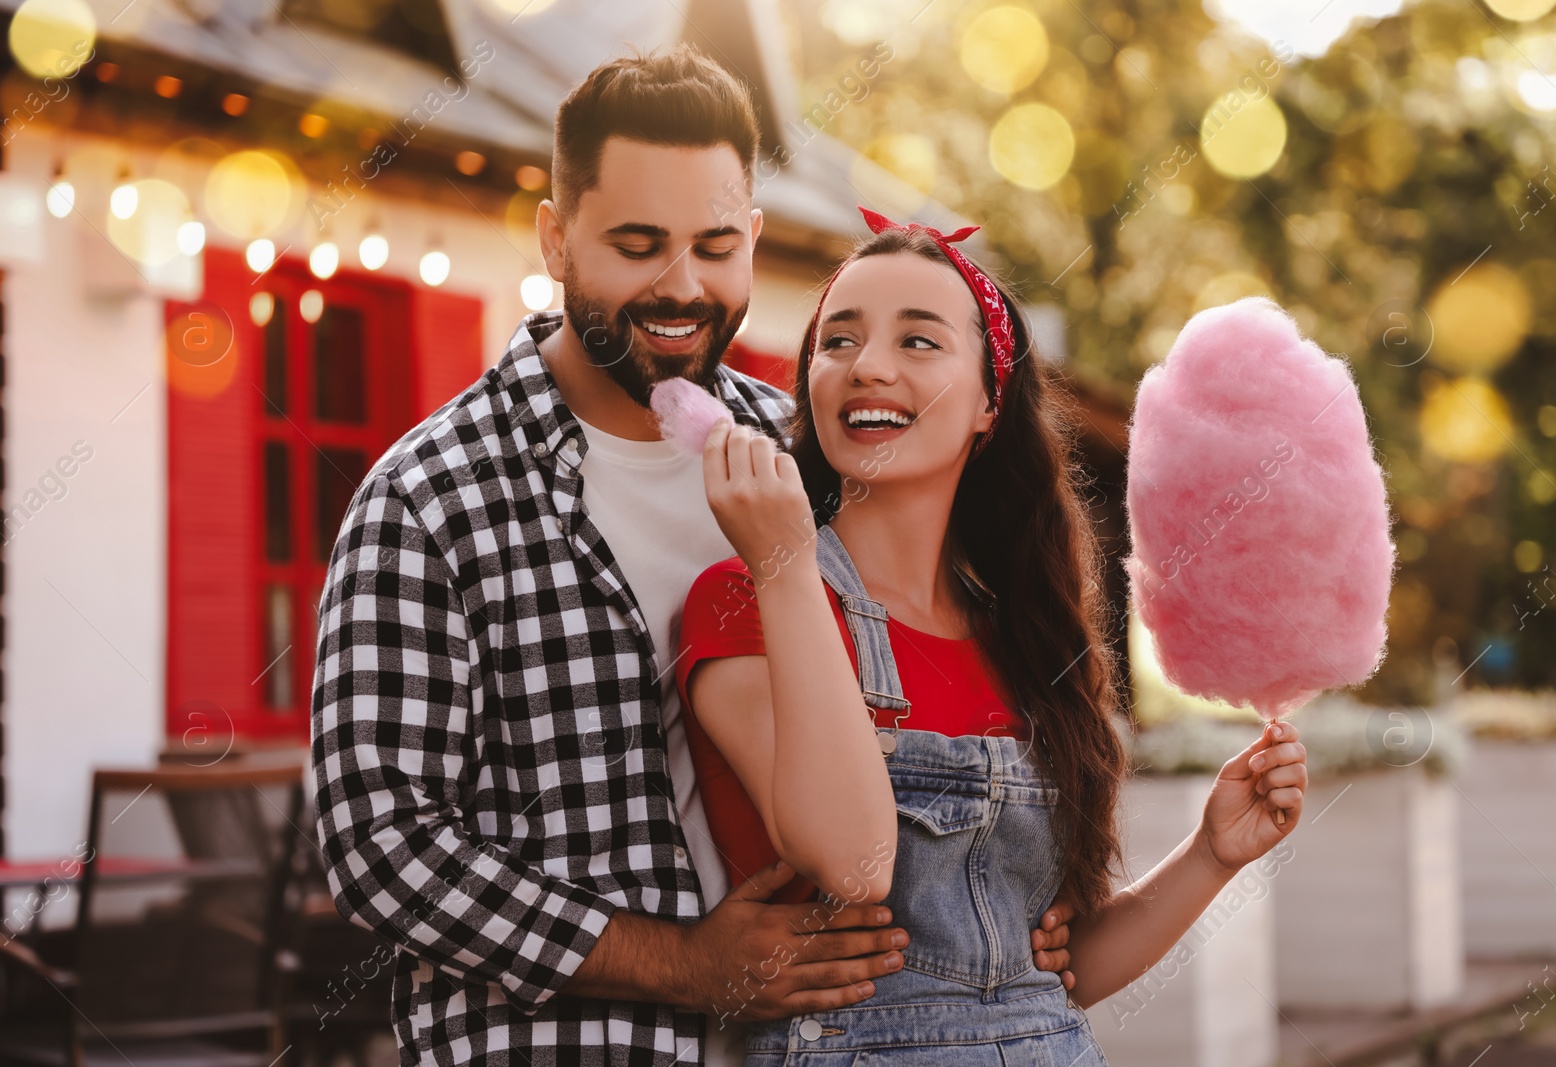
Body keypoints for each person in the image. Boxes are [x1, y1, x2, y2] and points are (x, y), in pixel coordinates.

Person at [310, 47, 1074, 1067]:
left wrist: (1015, 905)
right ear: (554, 237)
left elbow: (938, 690)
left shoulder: (810, 459)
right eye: (637, 244)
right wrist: (681, 961)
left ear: (752, 238)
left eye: (715, 246)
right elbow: (382, 846)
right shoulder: (428, 496)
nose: (681, 285)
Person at [676, 208, 1310, 1063]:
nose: (868, 367)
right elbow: (854, 859)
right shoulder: (744, 599)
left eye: (919, 342)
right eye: (839, 341)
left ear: (988, 401)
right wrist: (785, 559)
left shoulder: (1023, 634)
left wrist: (1210, 853)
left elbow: (1047, 976)